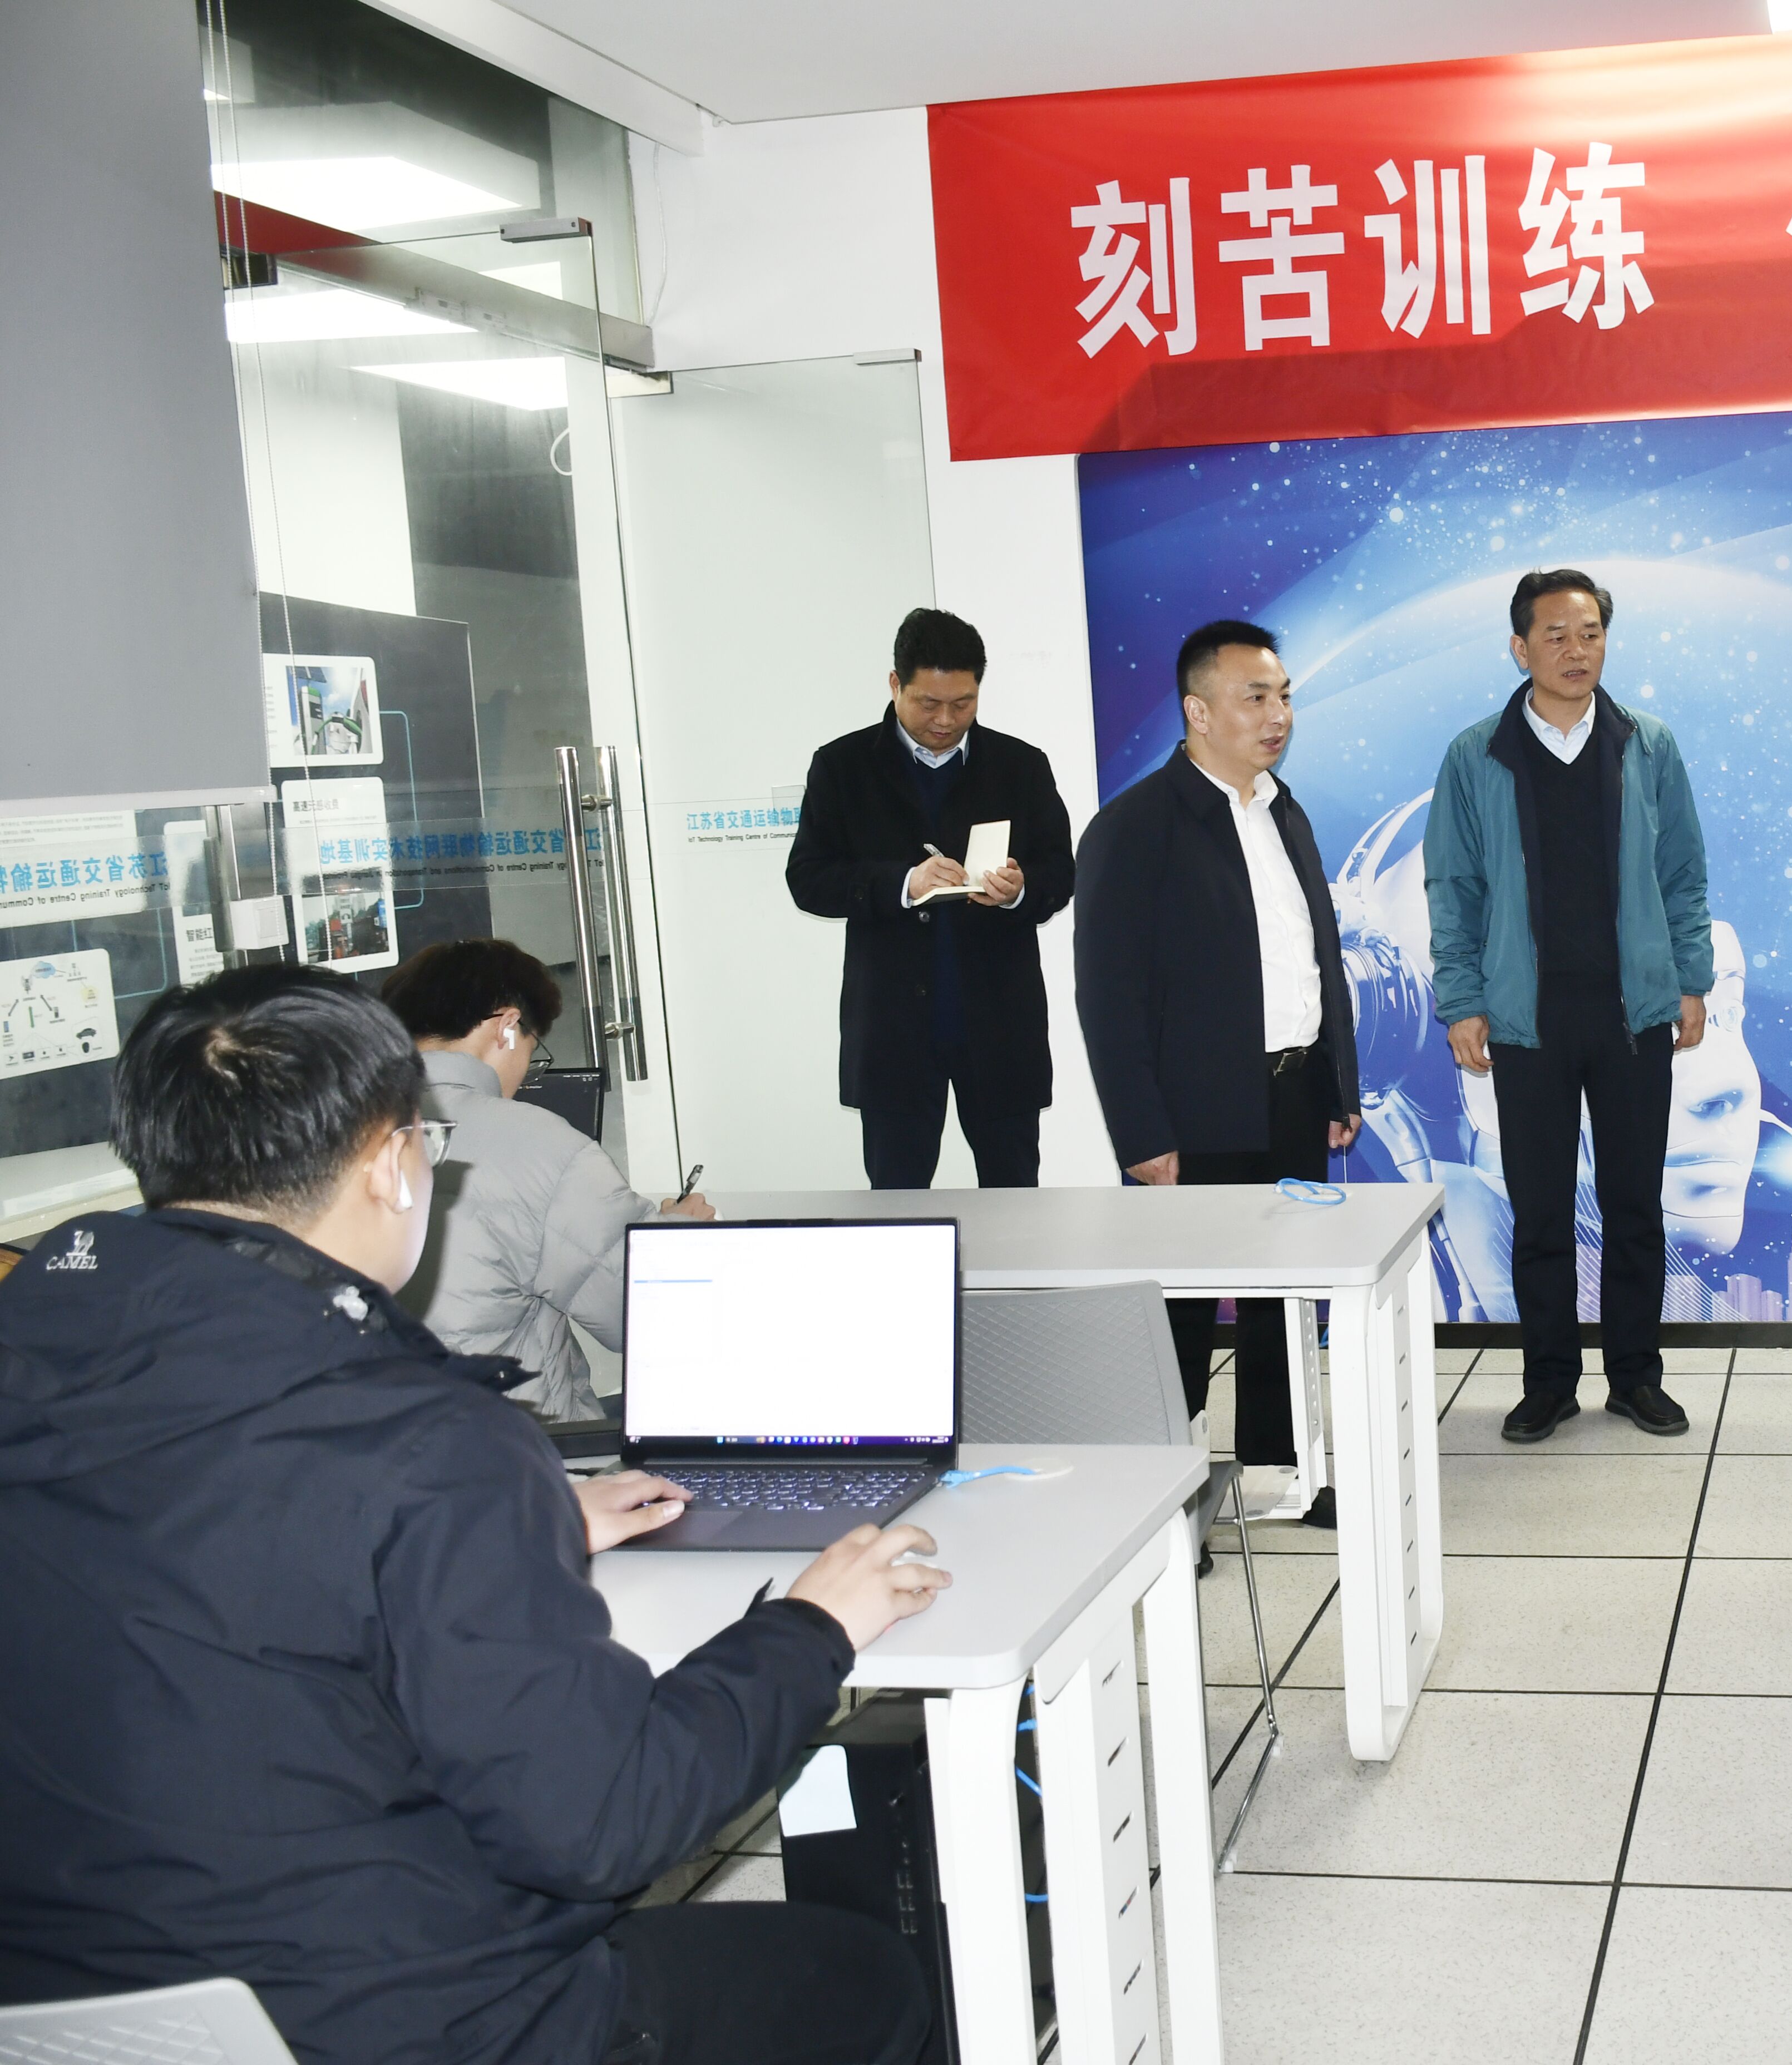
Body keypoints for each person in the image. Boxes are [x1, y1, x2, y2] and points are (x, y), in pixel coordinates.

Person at [0, 964, 949, 2065]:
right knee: (862, 1978)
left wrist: (520, 1523)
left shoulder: (46, 1362)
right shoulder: (425, 1442)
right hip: (396, 2026)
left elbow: (216, 1542)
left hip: (76, 2012)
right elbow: (606, 1824)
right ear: (386, 1164)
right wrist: (811, 1626)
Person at [1074, 621, 1361, 1523]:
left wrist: (1338, 1082)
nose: (1278, 715)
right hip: (1191, 1110)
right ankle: (1171, 1494)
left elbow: (1319, 957)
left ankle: (1282, 1471)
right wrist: (1140, 1131)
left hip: (1293, 1092)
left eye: (1283, 697)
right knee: (1185, 1306)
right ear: (1198, 711)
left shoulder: (1284, 812)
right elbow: (1107, 995)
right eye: (1255, 698)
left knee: (1285, 1292)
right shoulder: (1135, 827)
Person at [1424, 569, 1711, 1444]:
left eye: (1590, 634)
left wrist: (1690, 979)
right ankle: (1548, 1382)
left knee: (1635, 1208)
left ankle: (1635, 1377)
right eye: (1555, 635)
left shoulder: (1649, 745)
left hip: (1632, 1017)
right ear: (1520, 648)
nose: (1576, 650)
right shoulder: (1477, 755)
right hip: (1527, 1021)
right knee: (1542, 1214)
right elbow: (1454, 886)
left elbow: (1684, 874)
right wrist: (1462, 999)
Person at [786, 606, 1075, 1189]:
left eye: (963, 704)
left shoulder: (1020, 765)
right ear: (896, 684)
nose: (946, 720)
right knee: (897, 1206)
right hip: (893, 1031)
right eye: (928, 703)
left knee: (1016, 1201)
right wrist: (904, 884)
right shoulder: (842, 767)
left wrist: (1019, 891)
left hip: (1000, 1027)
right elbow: (809, 878)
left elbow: (1059, 874)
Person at [379, 937, 712, 1422]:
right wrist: (678, 1234)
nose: (524, 1077)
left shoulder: (339, 1129)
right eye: (533, 1052)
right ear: (507, 1027)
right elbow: (646, 1314)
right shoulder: (537, 1142)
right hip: (514, 1441)